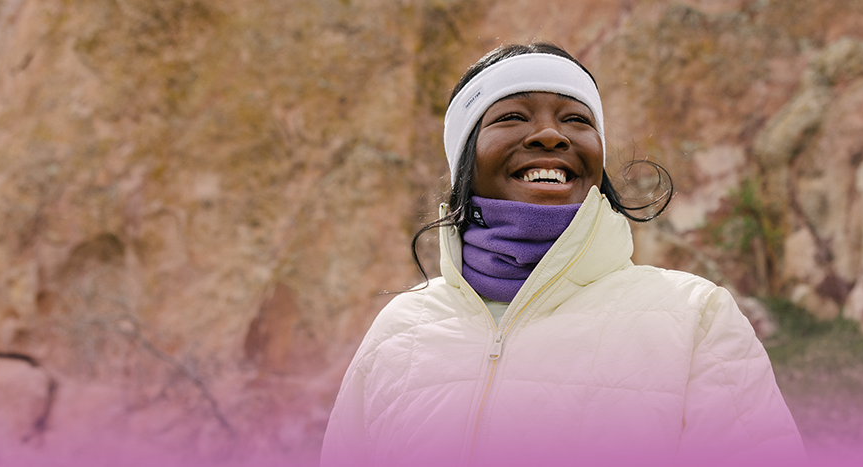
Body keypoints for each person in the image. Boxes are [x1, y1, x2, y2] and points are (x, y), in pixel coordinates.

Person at [320, 42, 805, 466]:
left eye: (576, 119)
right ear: (465, 161)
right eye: (511, 116)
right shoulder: (400, 329)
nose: (552, 136)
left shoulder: (693, 315)